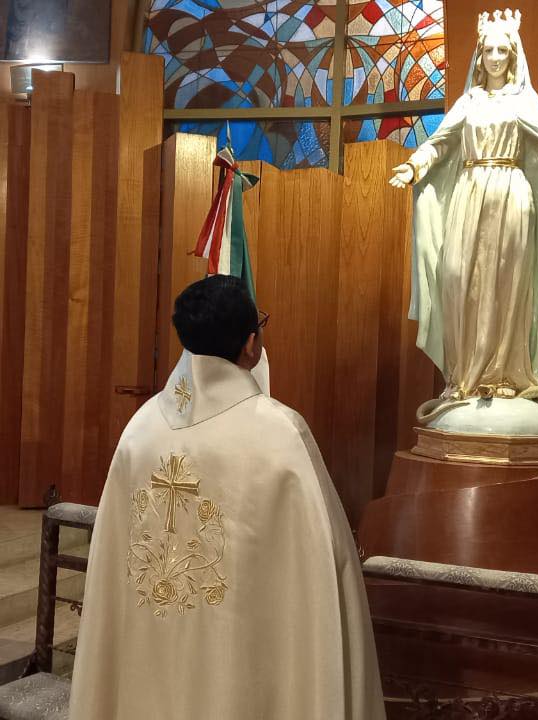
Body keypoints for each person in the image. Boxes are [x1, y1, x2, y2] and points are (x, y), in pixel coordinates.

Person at [69, 274, 385, 720]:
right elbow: (324, 566)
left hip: (150, 653)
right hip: (240, 662)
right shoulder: (280, 433)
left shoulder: (140, 428)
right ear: (251, 344)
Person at [390, 9, 538, 414]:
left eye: (502, 50)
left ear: (513, 56)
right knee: (458, 277)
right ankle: (464, 376)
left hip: (510, 196)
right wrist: (414, 165)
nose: (494, 58)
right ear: (479, 55)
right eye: (488, 50)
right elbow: (440, 142)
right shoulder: (469, 102)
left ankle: (504, 375)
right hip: (469, 195)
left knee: (506, 282)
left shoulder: (523, 101)